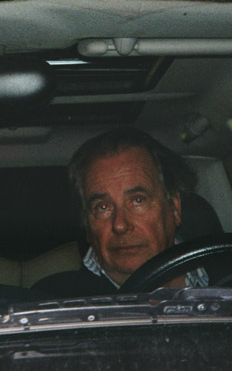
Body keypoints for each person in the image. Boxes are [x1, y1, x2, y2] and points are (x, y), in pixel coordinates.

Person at [36, 127, 208, 296]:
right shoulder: (54, 301)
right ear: (87, 224)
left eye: (137, 200)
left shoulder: (224, 280)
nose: (119, 225)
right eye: (103, 207)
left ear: (174, 208)